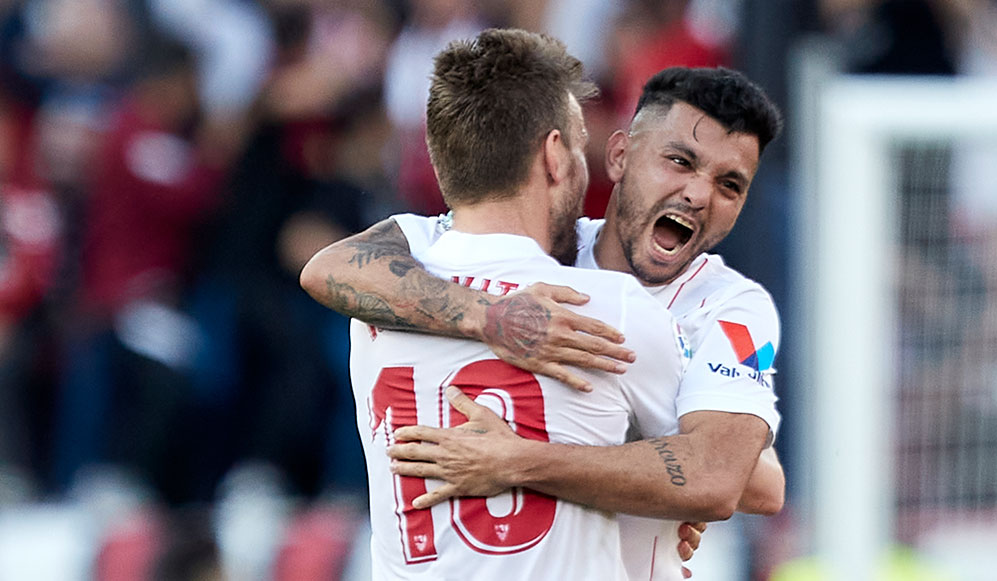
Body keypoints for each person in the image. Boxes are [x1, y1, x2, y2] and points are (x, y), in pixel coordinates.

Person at [302, 65, 785, 579]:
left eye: (729, 185)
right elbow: (329, 268)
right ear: (619, 155)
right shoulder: (528, 241)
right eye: (679, 162)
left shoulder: (730, 308)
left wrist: (518, 460)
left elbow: (740, 479)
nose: (698, 194)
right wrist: (493, 318)